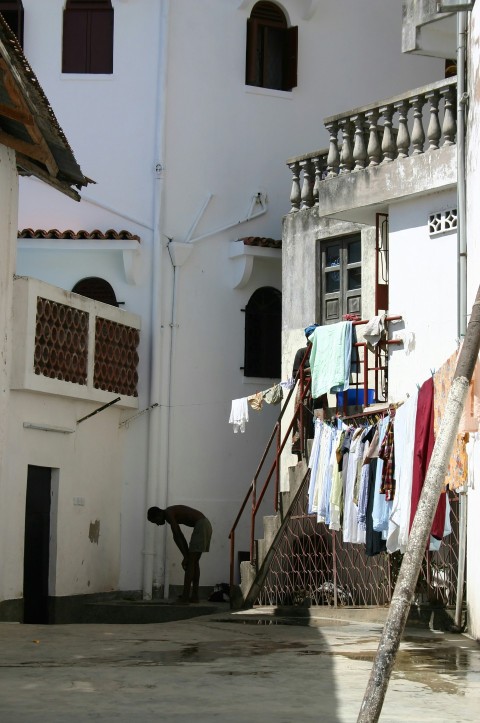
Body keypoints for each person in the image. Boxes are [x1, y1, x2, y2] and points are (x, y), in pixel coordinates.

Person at [147, 505, 212, 604]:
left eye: (155, 521)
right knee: (194, 562)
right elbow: (179, 535)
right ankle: (194, 596)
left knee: (191, 562)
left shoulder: (168, 513)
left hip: (202, 525)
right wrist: (185, 555)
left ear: (159, 514)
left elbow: (177, 534)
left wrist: (186, 557)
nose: (157, 524)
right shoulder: (170, 512)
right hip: (204, 524)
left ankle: (185, 598)